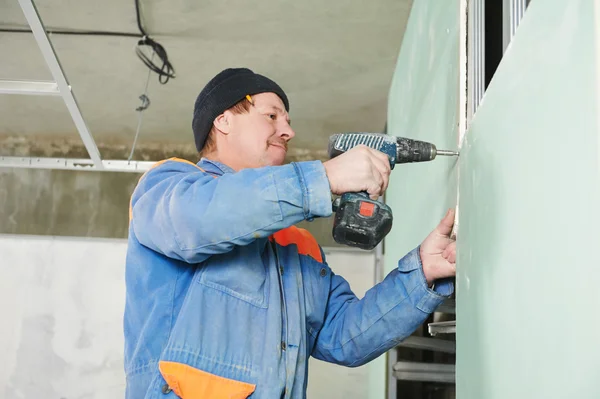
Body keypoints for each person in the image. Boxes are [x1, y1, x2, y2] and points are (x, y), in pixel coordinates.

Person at [124, 68, 456, 399]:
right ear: (223, 121)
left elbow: (346, 337)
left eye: (288, 120)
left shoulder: (297, 244)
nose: (288, 131)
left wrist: (421, 273)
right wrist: (323, 178)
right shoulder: (168, 187)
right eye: (271, 115)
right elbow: (200, 220)